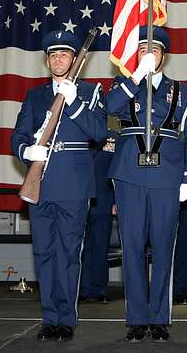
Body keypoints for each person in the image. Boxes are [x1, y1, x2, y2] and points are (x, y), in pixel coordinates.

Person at [106, 25, 187, 342]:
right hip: (130, 177)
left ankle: (159, 317)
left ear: (165, 55)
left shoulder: (183, 92)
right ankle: (136, 318)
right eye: (145, 51)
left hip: (167, 179)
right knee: (131, 248)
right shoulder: (124, 85)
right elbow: (109, 109)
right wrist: (137, 76)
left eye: (156, 51)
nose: (151, 55)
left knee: (164, 248)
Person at [11, 30, 107, 342]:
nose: (57, 59)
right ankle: (49, 317)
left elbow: (99, 132)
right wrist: (27, 152)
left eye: (64, 54)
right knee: (43, 253)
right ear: (47, 60)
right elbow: (19, 134)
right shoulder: (35, 96)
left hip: (74, 186)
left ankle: (66, 319)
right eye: (53, 55)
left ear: (74, 59)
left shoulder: (90, 92)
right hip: (42, 181)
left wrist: (74, 101)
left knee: (68, 253)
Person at [79, 130, 117, 304]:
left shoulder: (114, 138)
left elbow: (117, 170)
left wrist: (117, 200)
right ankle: (81, 288)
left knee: (101, 246)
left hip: (104, 199)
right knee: (79, 248)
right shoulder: (79, 133)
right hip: (79, 198)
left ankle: (99, 288)